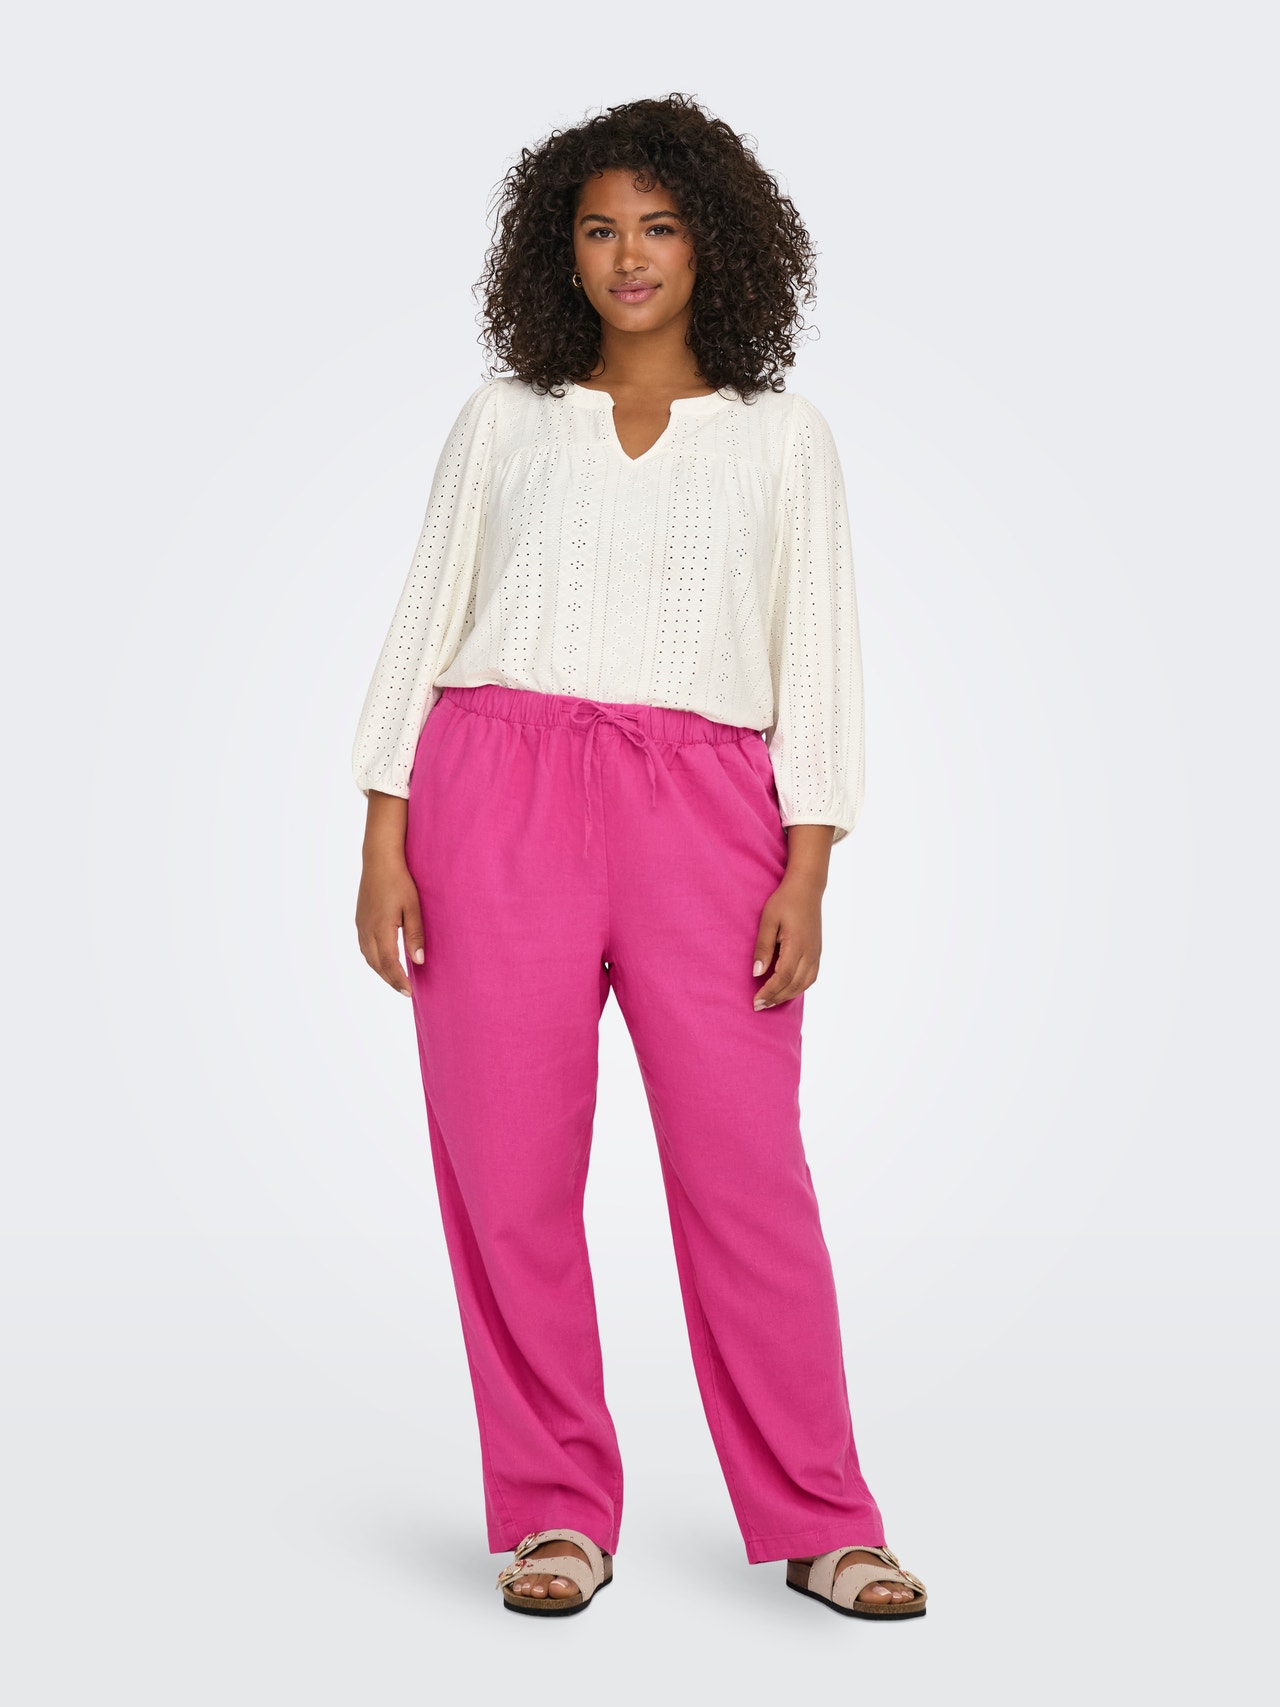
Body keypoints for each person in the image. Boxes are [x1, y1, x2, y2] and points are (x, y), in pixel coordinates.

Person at [352, 92, 927, 1622]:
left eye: (659, 227)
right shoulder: (503, 421)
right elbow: (423, 621)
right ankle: (554, 1509)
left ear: (713, 245)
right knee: (509, 1174)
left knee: (747, 1179)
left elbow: (818, 664)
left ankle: (823, 1516)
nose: (629, 256)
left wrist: (809, 868)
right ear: (562, 253)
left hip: (708, 815)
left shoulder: (785, 439)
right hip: (494, 792)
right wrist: (383, 835)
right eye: (599, 229)